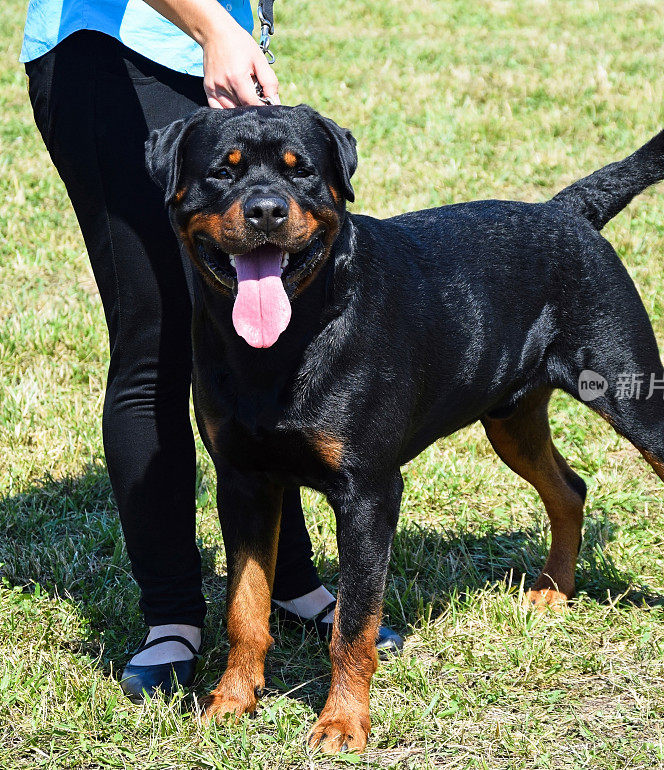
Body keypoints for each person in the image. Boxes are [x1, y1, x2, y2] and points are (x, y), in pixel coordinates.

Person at [20, 0, 402, 701]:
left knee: (264, 331)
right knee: (156, 339)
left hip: (214, 42)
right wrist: (213, 28)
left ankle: (287, 583)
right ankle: (171, 616)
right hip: (116, 51)